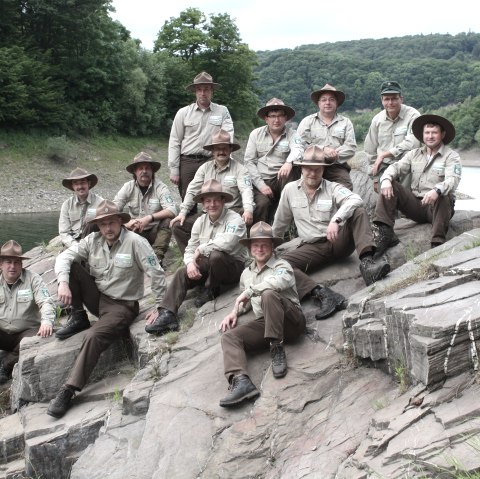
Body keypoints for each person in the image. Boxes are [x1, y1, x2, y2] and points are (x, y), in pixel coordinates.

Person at [47, 200, 166, 418]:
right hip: (98, 297)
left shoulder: (136, 242)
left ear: (120, 221)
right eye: (103, 225)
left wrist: (161, 306)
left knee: (93, 336)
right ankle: (78, 316)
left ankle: (69, 389)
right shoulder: (93, 240)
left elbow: (156, 272)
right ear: (98, 226)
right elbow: (64, 256)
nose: (107, 229)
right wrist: (62, 282)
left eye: (111, 223)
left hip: (122, 305)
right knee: (71, 266)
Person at [272, 145, 390, 288]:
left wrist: (336, 220)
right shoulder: (290, 190)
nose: (313, 173)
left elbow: (355, 199)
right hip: (312, 247)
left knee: (358, 211)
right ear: (301, 169)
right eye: (309, 169)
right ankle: (319, 294)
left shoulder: (332, 187)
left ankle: (367, 265)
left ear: (323, 170)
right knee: (281, 265)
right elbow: (279, 223)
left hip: (337, 242)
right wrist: (269, 248)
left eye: (317, 169)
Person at [218, 222, 306, 407]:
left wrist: (250, 292)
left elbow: (277, 282)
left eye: (264, 244)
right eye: (256, 245)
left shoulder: (282, 265)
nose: (260, 248)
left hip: (291, 321)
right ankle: (241, 382)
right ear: (250, 248)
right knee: (230, 337)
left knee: (268, 293)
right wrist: (235, 312)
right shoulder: (246, 274)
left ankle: (277, 348)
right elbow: (246, 302)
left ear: (272, 246)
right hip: (266, 322)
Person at [145, 180, 248, 335]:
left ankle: (211, 289)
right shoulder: (200, 221)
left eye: (215, 200)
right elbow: (190, 248)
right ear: (202, 203)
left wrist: (201, 248)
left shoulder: (235, 219)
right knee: (182, 272)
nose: (211, 204)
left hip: (232, 267)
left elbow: (228, 243)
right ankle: (167, 313)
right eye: (207, 201)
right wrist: (190, 264)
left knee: (216, 256)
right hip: (210, 265)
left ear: (223, 201)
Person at [373, 114, 462, 255]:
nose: (430, 136)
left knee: (444, 196)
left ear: (442, 134)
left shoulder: (452, 156)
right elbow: (395, 167)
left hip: (437, 207)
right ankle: (385, 232)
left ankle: (437, 243)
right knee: (391, 184)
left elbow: (453, 179)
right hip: (417, 205)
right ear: (422, 135)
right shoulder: (414, 154)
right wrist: (386, 180)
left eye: (434, 133)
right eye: (427, 132)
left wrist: (437, 190)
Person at [170, 129, 254, 254]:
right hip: (208, 213)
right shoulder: (204, 168)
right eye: (217, 149)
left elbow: (246, 190)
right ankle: (192, 259)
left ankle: (225, 256)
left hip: (232, 212)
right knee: (178, 226)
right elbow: (192, 190)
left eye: (224, 148)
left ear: (230, 150)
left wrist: (248, 210)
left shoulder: (240, 169)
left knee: (238, 223)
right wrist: (183, 212)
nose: (221, 152)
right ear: (212, 151)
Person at [168, 72, 234, 201]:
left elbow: (228, 135)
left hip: (212, 161)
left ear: (212, 91)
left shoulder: (222, 111)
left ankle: (209, 221)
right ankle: (188, 221)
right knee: (188, 199)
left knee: (213, 198)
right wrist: (174, 169)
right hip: (187, 161)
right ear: (195, 91)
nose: (203, 93)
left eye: (206, 89)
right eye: (199, 89)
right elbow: (175, 140)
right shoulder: (183, 113)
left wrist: (228, 160)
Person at [0, 240, 54, 384]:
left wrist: (47, 321)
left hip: (27, 332)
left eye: (17, 262)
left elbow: (46, 302)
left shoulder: (33, 279)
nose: (12, 266)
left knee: (42, 337)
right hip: (3, 333)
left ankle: (6, 364)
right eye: (8, 262)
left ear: (21, 264)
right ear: (1, 264)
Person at [244, 98, 303, 223]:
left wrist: (289, 162)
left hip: (282, 178)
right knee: (261, 204)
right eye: (272, 116)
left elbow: (298, 149)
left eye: (280, 116)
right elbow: (249, 162)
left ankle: (288, 228)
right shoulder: (255, 134)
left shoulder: (293, 134)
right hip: (262, 179)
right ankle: (258, 236)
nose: (276, 120)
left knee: (295, 170)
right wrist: (261, 185)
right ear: (266, 118)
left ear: (286, 118)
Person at [114, 152, 177, 265]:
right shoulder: (127, 187)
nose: (144, 171)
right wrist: (127, 223)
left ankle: (157, 258)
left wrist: (149, 218)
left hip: (154, 232)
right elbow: (113, 210)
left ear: (152, 171)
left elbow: (172, 209)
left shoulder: (161, 187)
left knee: (168, 221)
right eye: (140, 168)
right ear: (135, 171)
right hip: (134, 231)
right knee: (114, 222)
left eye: (147, 168)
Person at [297, 84, 356, 190]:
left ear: (336, 103)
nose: (327, 103)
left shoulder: (346, 122)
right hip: (311, 165)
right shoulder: (307, 121)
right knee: (302, 190)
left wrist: (334, 155)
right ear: (318, 103)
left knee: (346, 190)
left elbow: (351, 147)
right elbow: (299, 144)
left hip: (336, 166)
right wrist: (322, 150)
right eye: (323, 100)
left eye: (331, 99)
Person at [364, 81, 421, 190]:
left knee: (404, 198)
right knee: (386, 198)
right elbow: (370, 150)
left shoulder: (413, 115)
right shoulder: (377, 120)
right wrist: (375, 178)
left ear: (401, 99)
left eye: (394, 98)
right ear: (382, 100)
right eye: (387, 99)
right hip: (384, 166)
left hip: (406, 165)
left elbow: (413, 142)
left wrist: (385, 154)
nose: (390, 102)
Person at [59, 168, 104, 247]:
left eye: (83, 182)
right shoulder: (66, 205)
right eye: (76, 184)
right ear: (72, 186)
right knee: (63, 259)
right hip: (73, 243)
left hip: (94, 242)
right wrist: (76, 246)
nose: (80, 186)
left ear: (89, 184)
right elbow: (64, 232)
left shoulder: (101, 202)